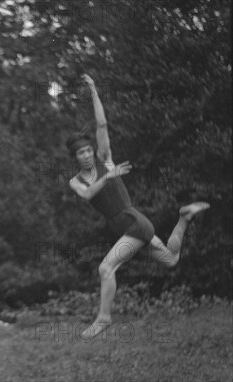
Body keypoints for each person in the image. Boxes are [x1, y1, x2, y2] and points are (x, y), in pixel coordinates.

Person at [67, 74, 210, 340]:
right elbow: (87, 195)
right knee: (171, 259)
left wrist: (95, 92)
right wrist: (108, 178)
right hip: (127, 226)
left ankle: (103, 319)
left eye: (88, 150)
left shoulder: (105, 159)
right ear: (74, 157)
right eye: (81, 153)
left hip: (134, 223)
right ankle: (184, 217)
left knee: (105, 269)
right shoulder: (75, 181)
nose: (87, 155)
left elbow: (102, 123)